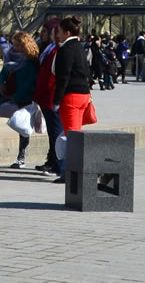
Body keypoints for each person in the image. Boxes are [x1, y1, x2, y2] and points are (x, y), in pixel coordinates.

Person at [0, 30, 38, 167]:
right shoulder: (10, 57)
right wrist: (0, 83)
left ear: (25, 46)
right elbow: (4, 72)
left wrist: (15, 98)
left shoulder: (30, 62)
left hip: (23, 98)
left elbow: (29, 84)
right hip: (7, 94)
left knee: (22, 127)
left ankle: (21, 157)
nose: (14, 48)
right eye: (13, 44)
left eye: (18, 45)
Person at [52, 16, 93, 175]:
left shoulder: (65, 49)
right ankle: (71, 172)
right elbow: (87, 72)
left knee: (72, 137)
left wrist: (57, 100)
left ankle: (69, 173)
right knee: (74, 134)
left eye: (60, 32)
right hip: (83, 95)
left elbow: (63, 77)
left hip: (71, 97)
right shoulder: (80, 48)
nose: (57, 35)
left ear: (67, 33)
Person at [32, 21, 64, 181]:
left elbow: (50, 76)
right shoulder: (49, 49)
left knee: (56, 132)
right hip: (46, 97)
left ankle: (59, 165)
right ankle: (53, 161)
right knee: (53, 132)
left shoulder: (55, 50)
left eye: (49, 32)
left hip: (50, 97)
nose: (48, 35)